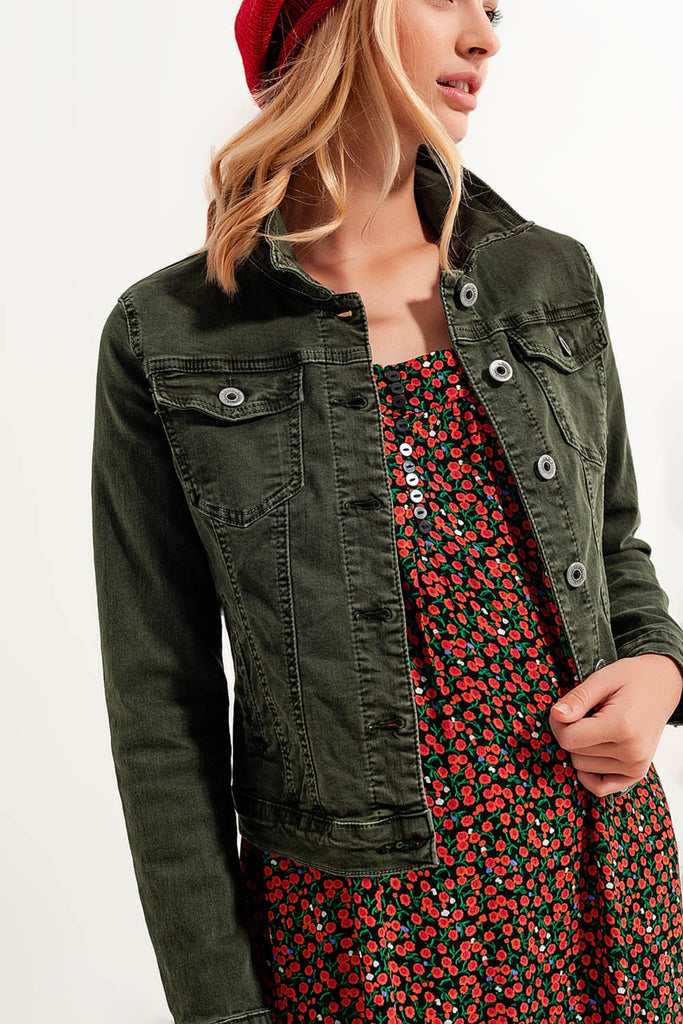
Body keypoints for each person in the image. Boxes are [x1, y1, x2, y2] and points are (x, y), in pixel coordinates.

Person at [90, 1, 683, 1022]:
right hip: (363, 931)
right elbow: (159, 709)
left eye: (492, 8)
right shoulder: (173, 336)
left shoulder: (545, 278)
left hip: (597, 882)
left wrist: (660, 674)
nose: (484, 36)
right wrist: (221, 1007)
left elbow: (612, 543)